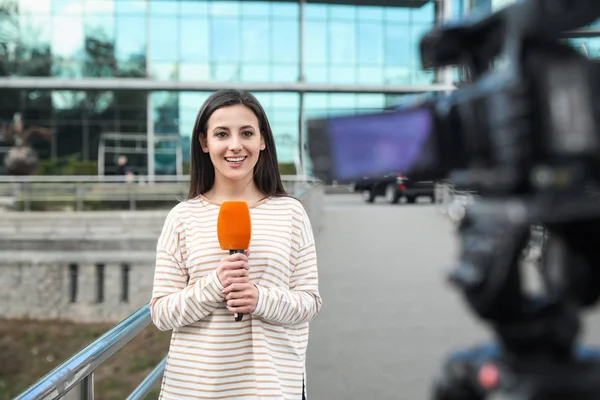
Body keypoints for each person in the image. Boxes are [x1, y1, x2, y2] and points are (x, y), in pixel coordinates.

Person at [150, 89, 322, 400]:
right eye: (221, 134)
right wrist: (216, 284)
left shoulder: (291, 213)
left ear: (262, 140)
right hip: (195, 389)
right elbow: (162, 313)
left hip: (271, 388)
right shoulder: (182, 218)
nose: (235, 145)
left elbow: (309, 302)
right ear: (205, 143)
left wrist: (259, 298)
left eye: (246, 133)